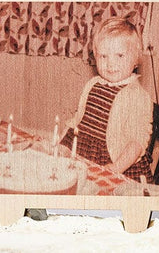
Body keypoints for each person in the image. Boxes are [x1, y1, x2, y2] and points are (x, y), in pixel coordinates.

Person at [58, 17, 153, 181]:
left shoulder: (138, 96)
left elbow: (137, 142)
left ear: (136, 58)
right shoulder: (93, 84)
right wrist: (61, 145)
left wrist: (116, 168)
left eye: (120, 55)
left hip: (118, 164)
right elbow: (78, 121)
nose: (110, 64)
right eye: (103, 56)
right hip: (84, 155)